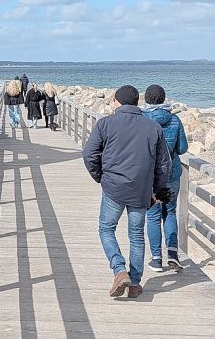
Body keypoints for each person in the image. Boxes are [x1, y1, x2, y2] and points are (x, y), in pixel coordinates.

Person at [82, 85, 172, 299]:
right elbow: (164, 165)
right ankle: (134, 282)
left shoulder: (106, 123)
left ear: (117, 102)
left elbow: (89, 154)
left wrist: (101, 177)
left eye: (114, 101)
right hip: (141, 190)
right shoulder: (153, 127)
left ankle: (119, 269)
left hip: (114, 186)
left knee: (106, 229)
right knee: (136, 235)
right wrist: (157, 191)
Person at [141, 84, 189, 272]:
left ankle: (156, 258)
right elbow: (182, 148)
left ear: (146, 99)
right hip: (171, 175)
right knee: (169, 212)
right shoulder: (175, 120)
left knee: (152, 215)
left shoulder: (143, 120)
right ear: (164, 99)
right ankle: (173, 253)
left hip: (151, 177)